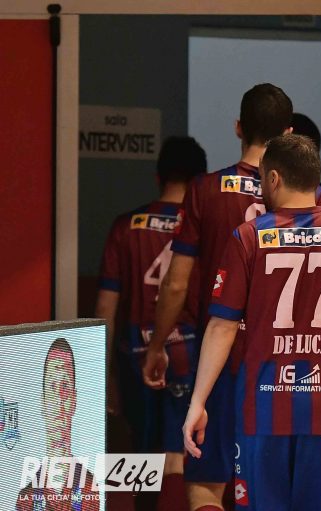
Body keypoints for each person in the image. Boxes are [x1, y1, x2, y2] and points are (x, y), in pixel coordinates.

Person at [142, 85, 321, 511]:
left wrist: (157, 345)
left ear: (239, 127)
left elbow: (175, 283)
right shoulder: (314, 197)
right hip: (286, 364)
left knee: (206, 487)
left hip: (221, 361)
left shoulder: (204, 190)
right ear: (288, 133)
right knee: (271, 491)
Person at [182, 134, 321, 511]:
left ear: (273, 178)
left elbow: (222, 326)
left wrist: (198, 401)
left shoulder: (248, 237)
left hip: (262, 409)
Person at [94, 136, 207, 511]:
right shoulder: (203, 229)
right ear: (199, 181)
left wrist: (104, 374)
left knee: (140, 452)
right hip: (189, 353)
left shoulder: (125, 227)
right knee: (182, 451)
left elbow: (105, 308)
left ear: (158, 176)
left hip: (135, 355)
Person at [16, 338, 100, 511]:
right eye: (52, 386)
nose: (59, 399)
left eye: (65, 386)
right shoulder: (26, 499)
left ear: (74, 400)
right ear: (42, 402)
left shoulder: (90, 488)